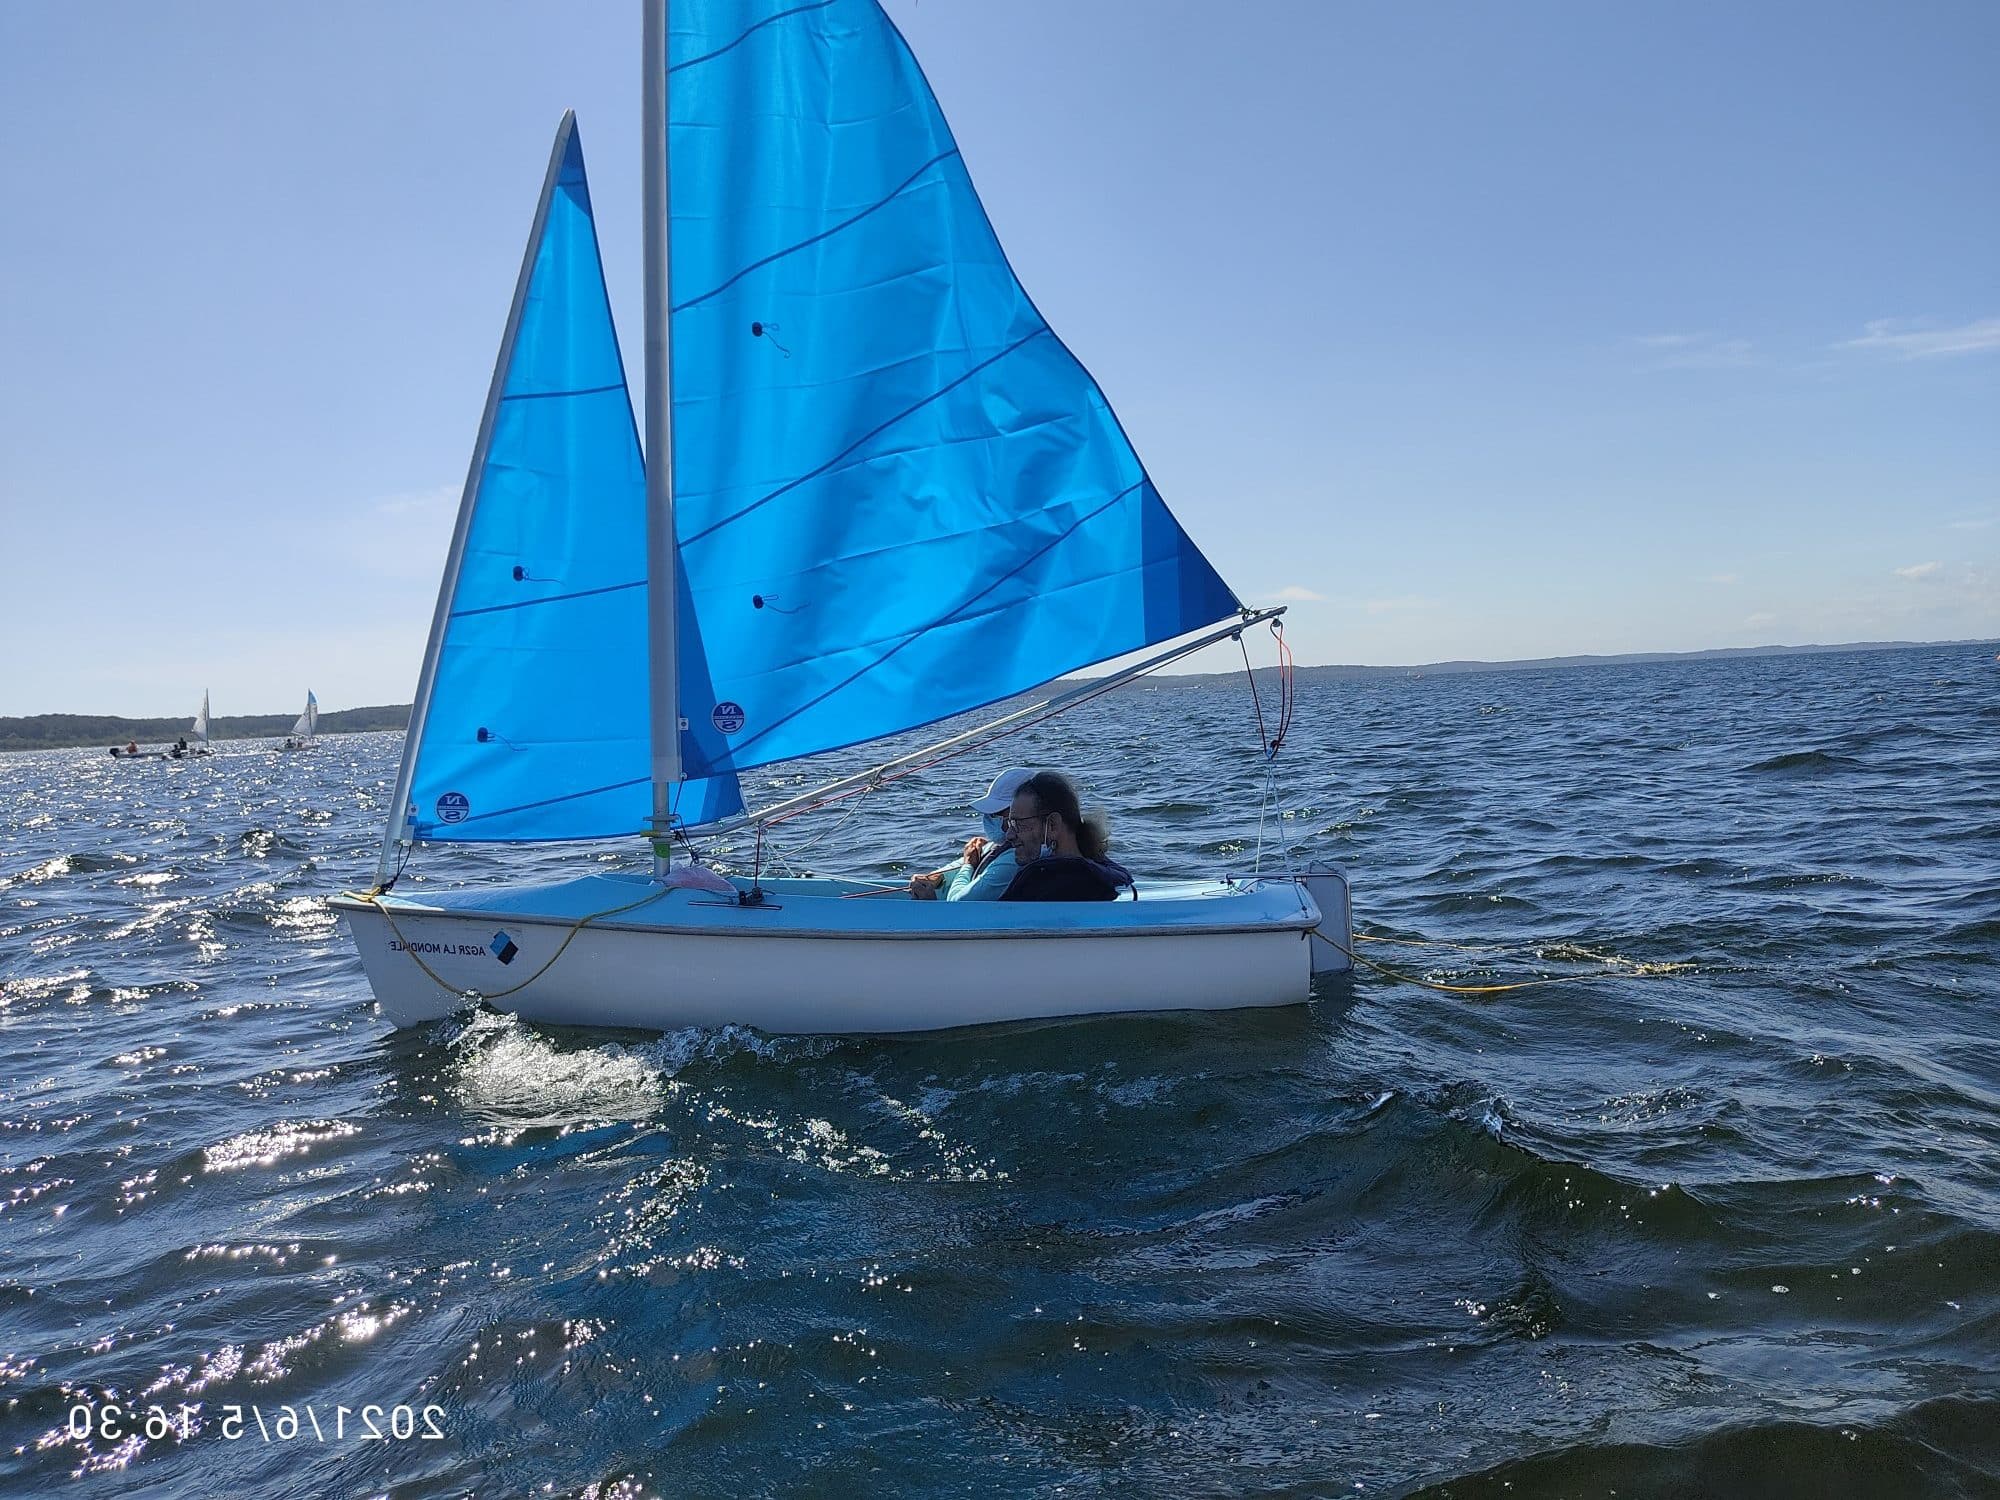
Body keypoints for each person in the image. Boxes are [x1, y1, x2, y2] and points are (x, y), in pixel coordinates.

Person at [998, 770, 1133, 901]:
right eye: (1010, 823)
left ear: (1053, 825)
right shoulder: (1104, 876)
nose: (1009, 835)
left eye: (1019, 824)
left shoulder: (1042, 885)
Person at [908, 766, 1035, 901]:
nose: (989, 818)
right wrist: (934, 878)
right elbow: (962, 863)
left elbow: (959, 903)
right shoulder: (998, 845)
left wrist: (968, 866)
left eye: (995, 813)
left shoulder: (1015, 858)